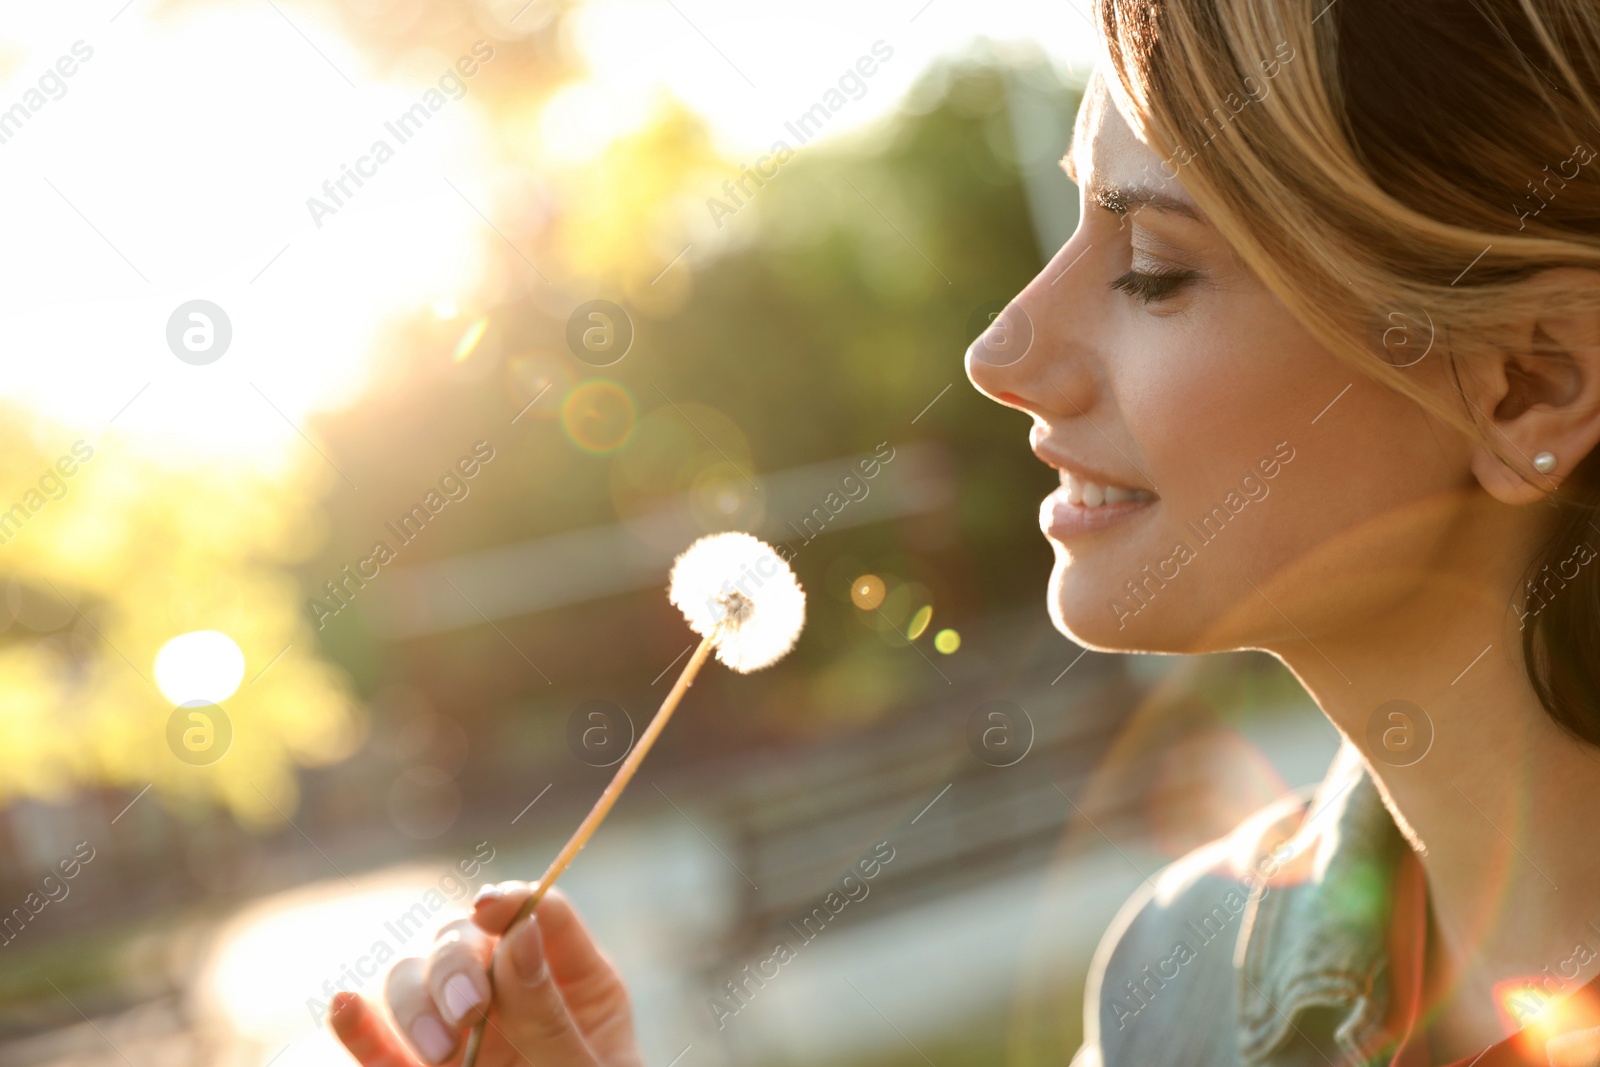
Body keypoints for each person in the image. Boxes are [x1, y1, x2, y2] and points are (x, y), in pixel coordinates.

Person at [331, 0, 1600, 1063]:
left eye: (1152, 268)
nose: (1000, 352)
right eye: (1074, 223)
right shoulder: (1181, 985)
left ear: (1525, 384)